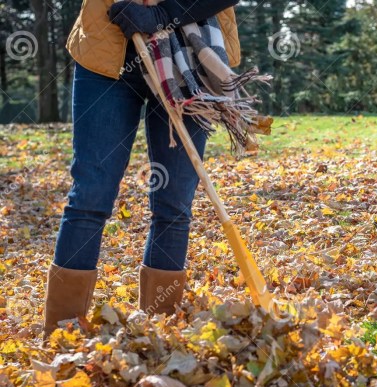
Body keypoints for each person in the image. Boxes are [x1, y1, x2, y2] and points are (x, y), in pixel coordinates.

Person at [44, 0, 241, 334]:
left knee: (174, 203)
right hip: (108, 51)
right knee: (91, 194)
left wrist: (163, 15)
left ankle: (160, 329)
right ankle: (62, 332)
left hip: (191, 58)